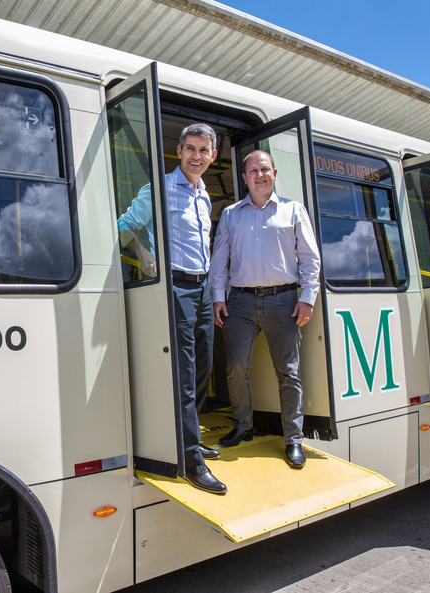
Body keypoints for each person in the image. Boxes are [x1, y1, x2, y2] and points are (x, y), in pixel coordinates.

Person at [117, 123, 226, 494]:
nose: (197, 156)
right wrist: (146, 255)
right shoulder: (159, 189)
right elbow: (124, 227)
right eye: (191, 149)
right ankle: (191, 458)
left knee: (203, 369)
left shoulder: (205, 195)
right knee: (183, 373)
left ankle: (187, 437)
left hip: (203, 288)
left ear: (212, 156)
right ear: (179, 152)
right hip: (175, 287)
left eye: (204, 150)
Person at [208, 149, 320, 469]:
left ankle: (293, 438)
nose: (259, 174)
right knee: (235, 368)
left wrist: (307, 297)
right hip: (240, 302)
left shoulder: (293, 210)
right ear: (244, 178)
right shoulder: (231, 214)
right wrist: (219, 297)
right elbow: (220, 261)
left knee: (288, 372)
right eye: (253, 170)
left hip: (283, 300)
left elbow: (310, 259)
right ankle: (243, 427)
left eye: (265, 169)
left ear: (274, 174)